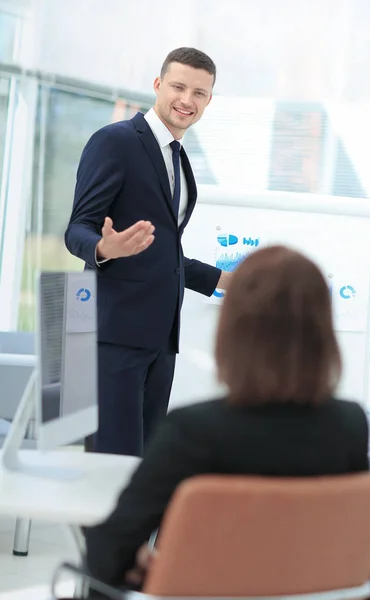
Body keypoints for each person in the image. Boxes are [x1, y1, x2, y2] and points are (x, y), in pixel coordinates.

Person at [84, 245, 370, 589]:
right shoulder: (351, 426)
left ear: (233, 330)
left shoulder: (193, 432)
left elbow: (106, 554)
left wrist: (153, 566)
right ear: (323, 331)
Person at [65, 47, 231, 457]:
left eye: (200, 93)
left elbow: (162, 252)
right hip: (109, 334)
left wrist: (227, 281)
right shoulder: (116, 141)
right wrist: (104, 247)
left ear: (209, 100)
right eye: (178, 87)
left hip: (159, 340)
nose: (187, 100)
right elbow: (76, 230)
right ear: (158, 85)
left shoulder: (179, 159)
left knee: (143, 471)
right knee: (111, 468)